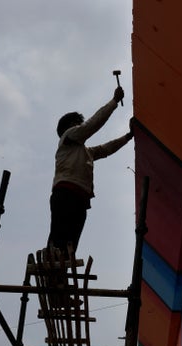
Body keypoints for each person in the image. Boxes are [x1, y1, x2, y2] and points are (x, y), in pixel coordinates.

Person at [47, 86, 134, 256]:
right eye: (77, 124)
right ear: (70, 126)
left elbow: (105, 149)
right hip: (66, 194)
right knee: (61, 240)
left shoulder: (83, 151)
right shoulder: (68, 136)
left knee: (69, 244)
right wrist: (114, 102)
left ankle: (60, 275)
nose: (80, 126)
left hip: (79, 197)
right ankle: (55, 271)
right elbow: (91, 126)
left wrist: (128, 136)